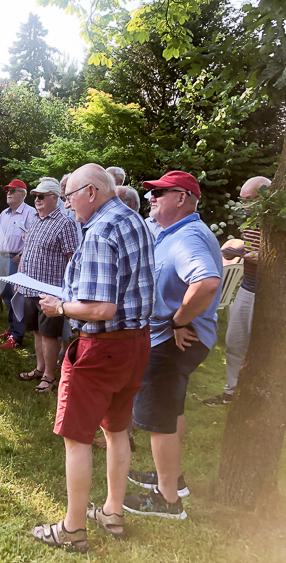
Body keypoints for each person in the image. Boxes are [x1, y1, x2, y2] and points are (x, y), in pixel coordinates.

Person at [31, 164, 155, 553]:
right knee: (117, 430)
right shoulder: (131, 218)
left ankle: (72, 528)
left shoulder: (100, 231)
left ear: (90, 191)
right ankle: (113, 513)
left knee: (76, 436)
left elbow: (101, 307)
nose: (66, 205)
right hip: (135, 344)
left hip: (102, 348)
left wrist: (60, 307)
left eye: (68, 196)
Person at [124, 170, 222, 520]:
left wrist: (178, 320)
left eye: (160, 193)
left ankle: (168, 501)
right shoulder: (173, 231)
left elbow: (207, 282)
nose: (151, 197)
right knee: (173, 408)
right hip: (176, 337)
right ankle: (172, 478)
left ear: (182, 198)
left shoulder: (188, 237)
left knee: (159, 416)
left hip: (173, 340)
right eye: (151, 193)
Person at [203, 176, 270, 406]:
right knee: (235, 341)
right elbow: (251, 247)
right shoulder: (251, 222)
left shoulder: (276, 223)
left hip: (269, 295)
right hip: (246, 289)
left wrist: (255, 256)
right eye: (242, 200)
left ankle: (264, 399)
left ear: (265, 197)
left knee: (265, 347)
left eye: (249, 200)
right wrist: (238, 249)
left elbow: (274, 259)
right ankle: (232, 392)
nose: (244, 206)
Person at [15, 178, 79, 390]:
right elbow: (27, 251)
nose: (37, 200)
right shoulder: (35, 219)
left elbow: (73, 258)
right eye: (35, 196)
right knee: (36, 331)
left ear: (54, 198)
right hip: (28, 287)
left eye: (41, 196)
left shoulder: (65, 222)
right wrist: (19, 279)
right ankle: (40, 368)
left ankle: (50, 376)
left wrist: (68, 290)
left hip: (50, 291)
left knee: (50, 334)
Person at [0, 179, 36, 350]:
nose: (9, 193)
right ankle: (12, 327)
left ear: (23, 194)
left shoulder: (30, 213)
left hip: (17, 259)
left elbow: (34, 237)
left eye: (13, 190)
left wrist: (22, 255)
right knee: (5, 293)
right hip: (3, 258)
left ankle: (17, 336)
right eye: (7, 190)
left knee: (17, 297)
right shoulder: (4, 214)